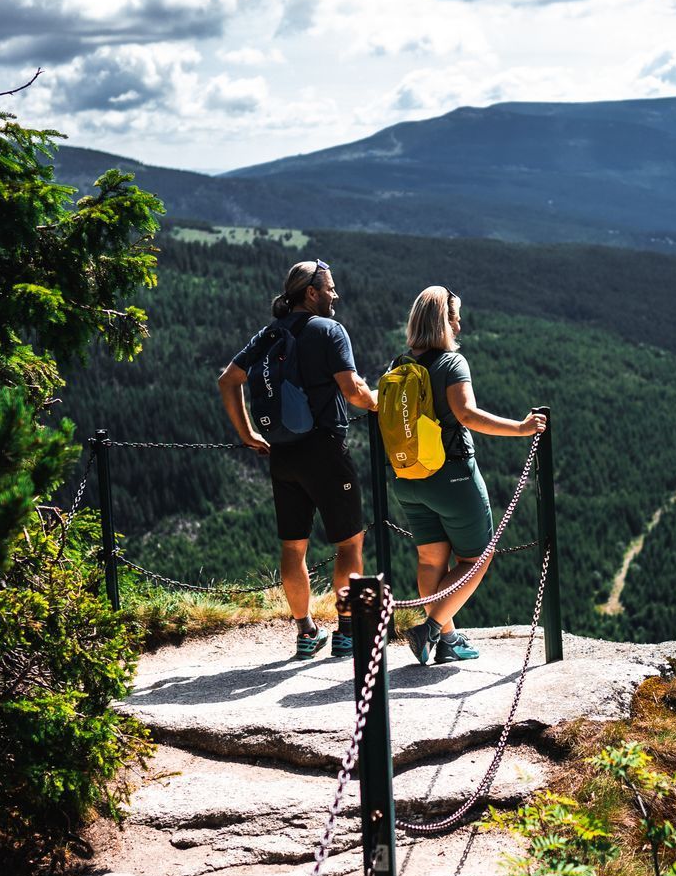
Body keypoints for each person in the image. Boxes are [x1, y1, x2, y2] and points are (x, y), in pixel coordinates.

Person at [217, 259, 378, 660]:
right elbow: (353, 389)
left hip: (282, 454)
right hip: (324, 450)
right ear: (311, 292)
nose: (335, 295)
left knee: (293, 548)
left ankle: (306, 632)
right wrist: (379, 404)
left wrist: (247, 433)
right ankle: (345, 631)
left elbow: (228, 379)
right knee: (350, 542)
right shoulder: (330, 331)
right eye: (330, 288)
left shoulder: (270, 333)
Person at [388, 286, 546, 665]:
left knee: (430, 560)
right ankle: (427, 630)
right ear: (444, 321)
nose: (460, 323)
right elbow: (467, 415)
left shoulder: (398, 366)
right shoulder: (451, 364)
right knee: (476, 558)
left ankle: (446, 639)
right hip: (451, 478)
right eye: (455, 316)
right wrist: (521, 429)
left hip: (407, 479)